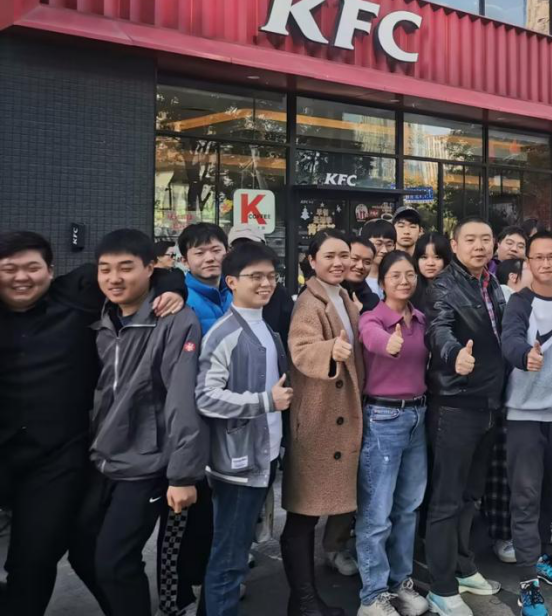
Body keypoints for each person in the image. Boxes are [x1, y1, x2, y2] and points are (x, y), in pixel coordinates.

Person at [0, 231, 185, 616]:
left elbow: (154, 271)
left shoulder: (77, 294)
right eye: (8, 269)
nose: (21, 277)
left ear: (51, 271)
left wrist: (172, 288)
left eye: (32, 267)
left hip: (54, 459)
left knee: (34, 558)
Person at [75, 229, 206, 616]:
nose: (114, 278)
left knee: (115, 562)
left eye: (126, 268)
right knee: (83, 553)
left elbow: (182, 398)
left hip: (148, 462)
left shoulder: (175, 320)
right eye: (105, 269)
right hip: (102, 456)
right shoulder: (101, 315)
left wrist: (182, 475)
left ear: (150, 268)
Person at [195, 240, 290, 616]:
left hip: (262, 457)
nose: (266, 283)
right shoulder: (224, 333)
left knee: (233, 555)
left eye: (271, 276)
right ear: (231, 281)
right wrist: (265, 401)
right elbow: (205, 398)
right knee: (229, 560)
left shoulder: (264, 326)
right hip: (237, 465)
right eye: (255, 277)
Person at [281, 229, 365, 615]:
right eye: (329, 256)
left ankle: (305, 600)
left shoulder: (343, 296)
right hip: (318, 421)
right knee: (302, 515)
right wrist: (331, 349)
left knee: (312, 512)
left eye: (344, 255)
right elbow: (300, 349)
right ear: (312, 261)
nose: (338, 262)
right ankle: (304, 601)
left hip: (337, 419)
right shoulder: (309, 301)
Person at [425, 217, 506, 616]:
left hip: (488, 403)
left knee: (471, 494)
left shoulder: (491, 283)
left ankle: (463, 566)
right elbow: (438, 330)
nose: (479, 246)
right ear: (454, 246)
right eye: (470, 239)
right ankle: (441, 587)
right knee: (446, 498)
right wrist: (454, 354)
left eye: (485, 239)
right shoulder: (442, 286)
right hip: (455, 404)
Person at [500, 231, 552, 616]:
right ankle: (527, 583)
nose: (546, 263)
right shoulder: (519, 302)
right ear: (528, 262)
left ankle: (540, 556)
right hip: (524, 416)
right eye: (538, 257)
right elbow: (510, 340)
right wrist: (524, 357)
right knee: (526, 497)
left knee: (551, 493)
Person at [355, 251, 432, 616]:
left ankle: (400, 582)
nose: (404, 281)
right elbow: (371, 339)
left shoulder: (421, 319)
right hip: (383, 417)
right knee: (377, 511)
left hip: (417, 414)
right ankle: (372, 595)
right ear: (382, 281)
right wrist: (389, 344)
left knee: (408, 507)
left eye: (410, 274)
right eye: (396, 275)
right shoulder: (373, 317)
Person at [228, 223, 297, 349]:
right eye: (239, 247)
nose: (246, 254)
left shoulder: (278, 292)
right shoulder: (222, 289)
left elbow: (290, 335)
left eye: (253, 247)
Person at [179, 221, 233, 334]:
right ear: (185, 261)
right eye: (200, 253)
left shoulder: (236, 293)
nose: (210, 258)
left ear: (227, 253)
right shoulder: (179, 300)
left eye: (216, 250)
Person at [413, 231, 452, 314]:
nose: (430, 263)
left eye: (437, 257)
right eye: (424, 257)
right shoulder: (409, 289)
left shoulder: (456, 290)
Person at [345, 236, 382, 313]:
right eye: (355, 259)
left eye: (367, 262)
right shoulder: (328, 292)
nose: (360, 266)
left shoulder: (373, 301)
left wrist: (363, 311)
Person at [364, 219, 398, 297]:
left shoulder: (398, 278)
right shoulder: (355, 278)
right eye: (378, 244)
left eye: (389, 245)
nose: (384, 250)